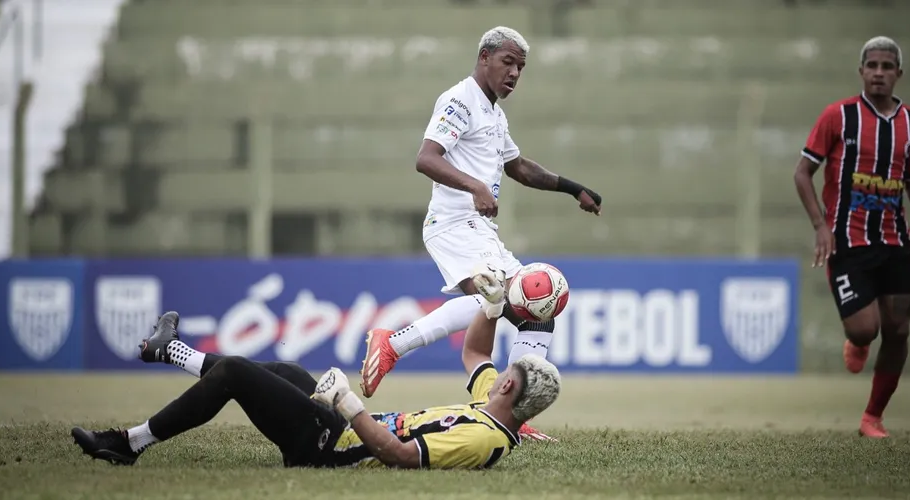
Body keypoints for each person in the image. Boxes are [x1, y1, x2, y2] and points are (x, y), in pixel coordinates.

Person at [357, 26, 600, 442]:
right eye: (508, 62)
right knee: (495, 297)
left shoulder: (495, 115)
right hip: (454, 224)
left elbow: (519, 168)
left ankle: (510, 416)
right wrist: (475, 186)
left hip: (479, 229)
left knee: (537, 315)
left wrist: (573, 188)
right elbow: (426, 158)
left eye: (521, 67)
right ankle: (393, 343)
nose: (515, 73)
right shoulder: (459, 100)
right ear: (484, 57)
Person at [71, 283, 561, 469]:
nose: (498, 373)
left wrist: (348, 403)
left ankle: (130, 444)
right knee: (285, 370)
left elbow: (398, 455)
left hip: (332, 448)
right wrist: (491, 305)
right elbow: (475, 350)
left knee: (238, 372)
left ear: (509, 386)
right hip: (341, 430)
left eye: (506, 373)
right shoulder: (492, 408)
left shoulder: (480, 436)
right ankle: (169, 350)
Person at [793, 36, 910, 439]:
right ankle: (857, 342)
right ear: (861, 71)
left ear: (898, 73)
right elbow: (802, 173)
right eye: (872, 65)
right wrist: (820, 225)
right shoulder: (838, 116)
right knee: (865, 330)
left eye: (887, 66)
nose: (879, 73)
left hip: (895, 240)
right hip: (847, 241)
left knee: (899, 330)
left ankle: (872, 417)